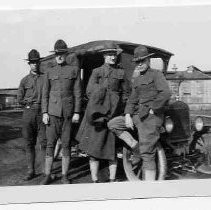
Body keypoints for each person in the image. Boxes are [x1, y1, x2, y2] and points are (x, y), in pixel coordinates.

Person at [108, 45, 171, 181]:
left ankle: (149, 189)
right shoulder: (137, 80)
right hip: (137, 116)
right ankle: (135, 148)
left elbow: (165, 93)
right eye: (137, 61)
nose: (140, 64)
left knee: (147, 154)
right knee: (113, 124)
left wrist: (153, 107)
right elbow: (132, 99)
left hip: (150, 118)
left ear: (148, 61)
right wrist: (128, 115)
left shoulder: (156, 74)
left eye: (143, 61)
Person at [76, 42, 134, 183]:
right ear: (104, 56)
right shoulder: (97, 72)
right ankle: (95, 180)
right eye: (109, 55)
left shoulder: (120, 73)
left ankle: (112, 179)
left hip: (113, 116)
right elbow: (89, 91)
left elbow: (127, 92)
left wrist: (120, 105)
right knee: (93, 151)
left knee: (111, 151)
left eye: (114, 54)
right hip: (97, 114)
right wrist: (105, 98)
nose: (112, 57)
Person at [41, 39, 82, 184]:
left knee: (66, 144)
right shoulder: (49, 71)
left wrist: (77, 112)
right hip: (52, 114)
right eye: (57, 54)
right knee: (50, 144)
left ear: (66, 55)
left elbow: (77, 92)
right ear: (54, 55)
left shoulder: (74, 70)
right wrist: (44, 112)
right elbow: (45, 94)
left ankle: (64, 175)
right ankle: (47, 174)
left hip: (68, 114)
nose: (59, 56)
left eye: (62, 54)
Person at [17, 49, 46, 180]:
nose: (34, 65)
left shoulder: (45, 78)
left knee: (44, 142)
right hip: (28, 113)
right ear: (29, 64)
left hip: (41, 112)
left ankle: (46, 171)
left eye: (36, 62)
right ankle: (31, 171)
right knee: (29, 143)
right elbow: (19, 98)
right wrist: (27, 103)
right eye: (32, 63)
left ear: (39, 63)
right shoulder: (24, 81)